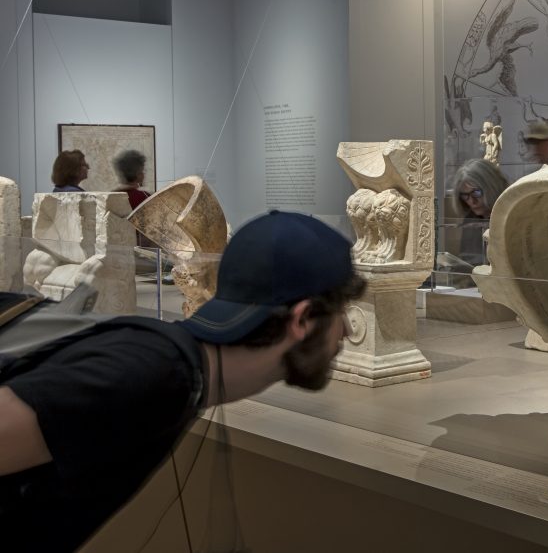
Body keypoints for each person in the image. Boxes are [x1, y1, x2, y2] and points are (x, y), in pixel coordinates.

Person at [0, 210, 365, 551]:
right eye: (341, 313)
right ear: (302, 320)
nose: (347, 331)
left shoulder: (175, 369)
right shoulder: (153, 373)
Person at [450, 158, 509, 266]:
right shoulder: (470, 218)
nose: (472, 201)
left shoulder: (511, 213)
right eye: (465, 195)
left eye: (476, 192)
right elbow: (468, 261)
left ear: (491, 187)